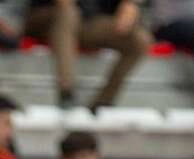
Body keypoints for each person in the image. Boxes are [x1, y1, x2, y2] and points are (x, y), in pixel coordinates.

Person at [23, 0, 153, 110]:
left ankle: (102, 102)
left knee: (139, 40)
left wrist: (129, 5)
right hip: (47, 15)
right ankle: (66, 92)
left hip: (87, 20)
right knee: (68, 13)